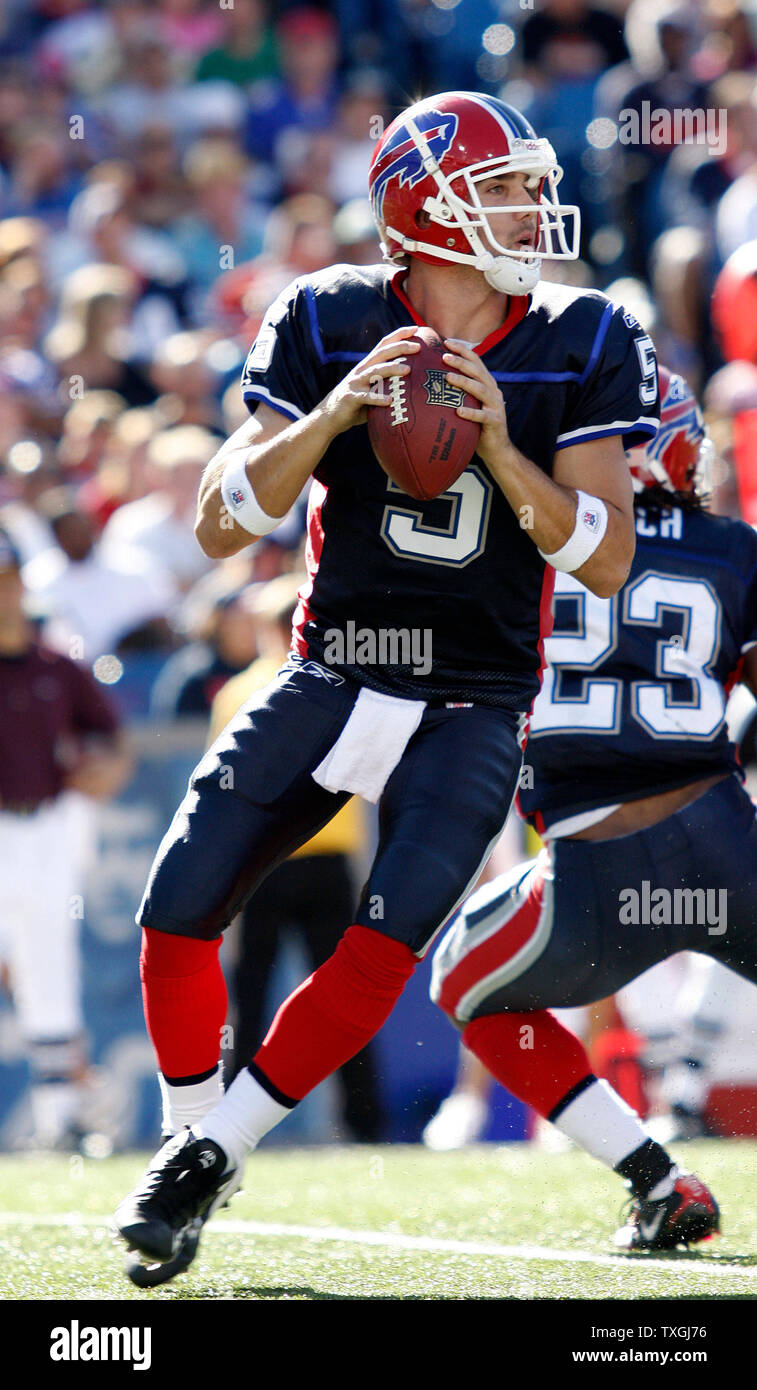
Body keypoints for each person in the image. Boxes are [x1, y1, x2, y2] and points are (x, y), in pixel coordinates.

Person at [113, 90, 656, 1285]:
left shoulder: (581, 333)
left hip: (473, 693)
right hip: (333, 661)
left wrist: (506, 446)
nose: (529, 203)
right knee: (175, 908)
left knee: (377, 946)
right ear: (430, 204)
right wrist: (334, 414)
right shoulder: (325, 315)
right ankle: (182, 1139)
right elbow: (218, 522)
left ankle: (207, 1161)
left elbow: (607, 557)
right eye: (503, 183)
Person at [430, 367, 756, 1249]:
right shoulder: (732, 546)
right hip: (722, 841)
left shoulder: (520, 548)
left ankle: (656, 1182)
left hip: (593, 866)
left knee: (464, 987)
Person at [0, 527, 131, 1148]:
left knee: (49, 968)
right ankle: (73, 1096)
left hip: (48, 823)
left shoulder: (56, 664)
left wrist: (104, 767)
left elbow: (112, 738)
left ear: (21, 583)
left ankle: (62, 1119)